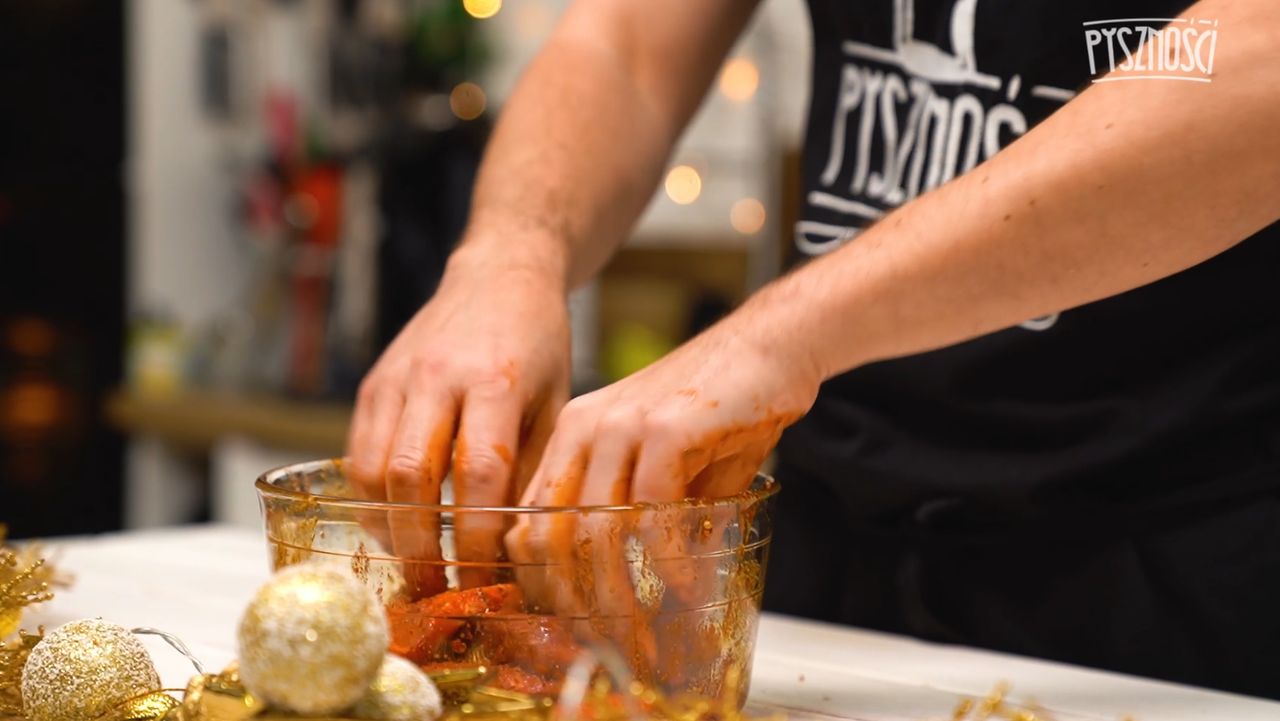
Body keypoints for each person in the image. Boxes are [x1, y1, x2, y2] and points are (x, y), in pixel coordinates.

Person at [346, 0, 1280, 698]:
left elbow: (1256, 57)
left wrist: (782, 330)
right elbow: (625, 42)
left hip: (1169, 561)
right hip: (830, 538)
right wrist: (508, 253)